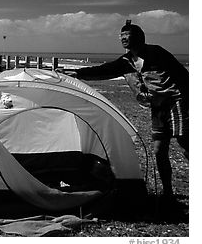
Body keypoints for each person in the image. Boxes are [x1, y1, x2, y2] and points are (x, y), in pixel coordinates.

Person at [63, 20, 188, 203]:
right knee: (159, 150)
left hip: (176, 103)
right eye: (121, 37)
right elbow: (105, 70)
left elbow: (182, 74)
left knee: (186, 145)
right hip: (157, 108)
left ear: (138, 37)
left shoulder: (157, 53)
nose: (123, 40)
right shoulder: (127, 61)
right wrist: (78, 73)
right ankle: (168, 192)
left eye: (127, 36)